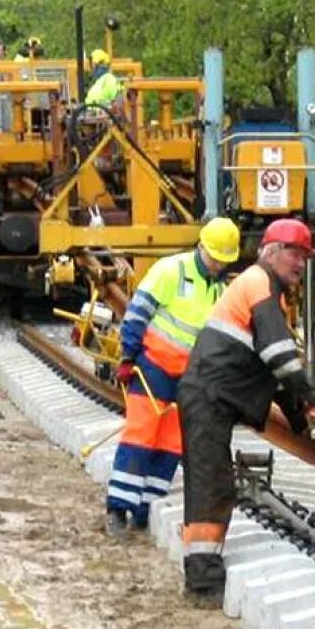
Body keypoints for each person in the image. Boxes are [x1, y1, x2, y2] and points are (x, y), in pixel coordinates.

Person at [178, 218, 315, 605]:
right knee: (211, 488)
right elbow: (278, 356)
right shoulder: (260, 285)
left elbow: (268, 372)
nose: (300, 264)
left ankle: (203, 576)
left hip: (212, 396)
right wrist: (310, 399)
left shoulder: (263, 288)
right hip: (208, 396)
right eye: (294, 254)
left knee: (213, 483)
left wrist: (299, 415)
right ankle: (202, 583)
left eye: (304, 256)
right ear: (271, 252)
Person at [106, 217, 241, 537]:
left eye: (224, 261)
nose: (218, 266)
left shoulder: (220, 289)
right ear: (201, 248)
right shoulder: (171, 271)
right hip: (154, 366)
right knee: (141, 434)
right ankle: (118, 508)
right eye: (215, 259)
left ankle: (145, 508)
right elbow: (137, 313)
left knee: (171, 442)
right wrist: (128, 356)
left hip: (190, 377)